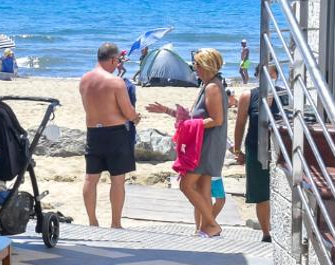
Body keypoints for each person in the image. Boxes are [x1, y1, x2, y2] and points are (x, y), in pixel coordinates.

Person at [147, 48, 227, 238]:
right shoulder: (207, 85)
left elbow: (217, 120)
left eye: (196, 65)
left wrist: (191, 125)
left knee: (186, 185)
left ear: (205, 65)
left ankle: (212, 225)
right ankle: (203, 229)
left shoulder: (212, 87)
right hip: (205, 143)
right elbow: (194, 116)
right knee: (203, 189)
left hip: (206, 145)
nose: (194, 69)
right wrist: (167, 110)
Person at [78, 43, 140, 229]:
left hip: (93, 132)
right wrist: (136, 118)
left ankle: (92, 221)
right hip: (115, 133)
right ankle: (115, 223)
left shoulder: (84, 79)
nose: (118, 64)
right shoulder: (115, 82)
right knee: (118, 179)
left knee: (91, 178)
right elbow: (128, 112)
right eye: (118, 60)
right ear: (113, 59)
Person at [231, 63, 282, 242]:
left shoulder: (284, 96)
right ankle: (266, 233)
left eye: (271, 73)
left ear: (276, 75)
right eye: (263, 73)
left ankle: (277, 229)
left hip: (279, 150)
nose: (267, 77)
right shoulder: (248, 95)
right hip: (254, 147)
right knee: (261, 193)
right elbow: (240, 124)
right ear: (258, 75)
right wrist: (238, 150)